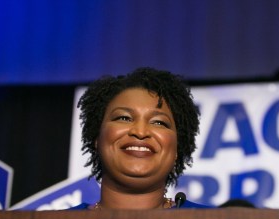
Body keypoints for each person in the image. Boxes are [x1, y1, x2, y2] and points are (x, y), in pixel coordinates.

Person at [71, 67, 210, 210]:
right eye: (124, 118)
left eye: (158, 122)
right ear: (97, 139)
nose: (140, 132)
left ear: (176, 149)